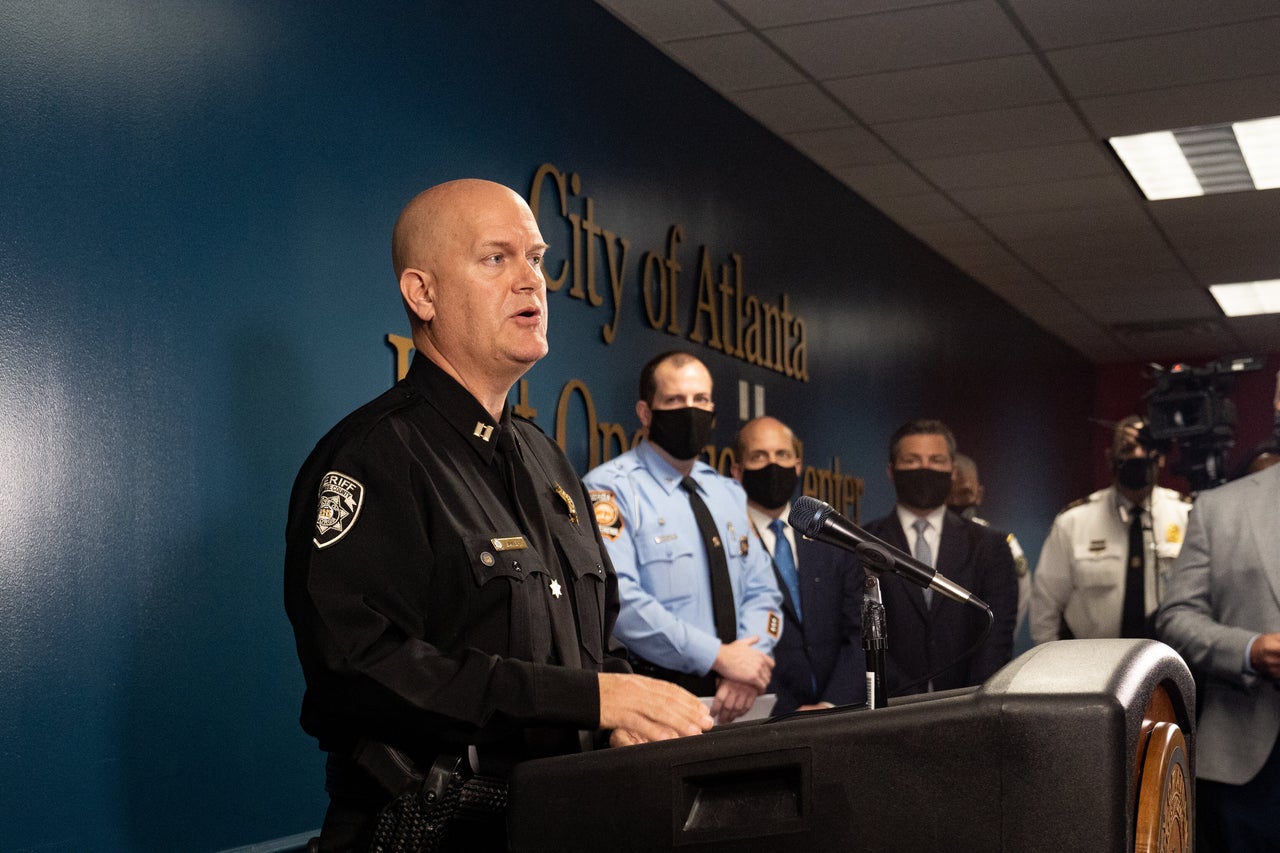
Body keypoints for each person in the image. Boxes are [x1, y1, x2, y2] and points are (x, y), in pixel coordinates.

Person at [284, 180, 712, 851]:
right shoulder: (373, 457)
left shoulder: (547, 461)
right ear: (421, 294)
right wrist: (587, 699)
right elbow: (358, 669)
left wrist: (624, 707)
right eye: (496, 259)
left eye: (537, 258)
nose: (530, 281)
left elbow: (598, 646)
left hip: (566, 821)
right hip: (433, 831)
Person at [583, 351, 783, 724]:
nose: (691, 411)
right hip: (658, 702)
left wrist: (747, 666)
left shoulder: (727, 492)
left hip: (739, 699)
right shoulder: (610, 490)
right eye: (675, 401)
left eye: (701, 400)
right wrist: (718, 657)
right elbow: (619, 602)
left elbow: (765, 593)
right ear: (646, 413)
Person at [1156, 371, 1280, 851]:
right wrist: (1249, 650)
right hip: (1248, 765)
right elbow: (1176, 618)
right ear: (1275, 401)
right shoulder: (1220, 508)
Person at [861, 419, 1017, 695]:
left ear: (952, 471)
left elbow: (996, 637)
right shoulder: (863, 543)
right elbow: (856, 632)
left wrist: (970, 702)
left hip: (967, 708)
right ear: (891, 470)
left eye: (936, 460)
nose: (925, 469)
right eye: (912, 460)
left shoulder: (990, 546)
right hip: (889, 710)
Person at [730, 416, 866, 715]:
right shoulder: (725, 542)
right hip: (767, 721)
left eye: (782, 455)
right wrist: (789, 715)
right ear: (737, 471)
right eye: (758, 456)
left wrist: (831, 703)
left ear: (798, 465)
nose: (772, 465)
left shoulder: (833, 539)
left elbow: (858, 633)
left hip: (840, 716)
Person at [1028, 416, 1192, 645]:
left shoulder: (1188, 517)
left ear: (1161, 457)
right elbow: (1045, 609)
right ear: (1110, 458)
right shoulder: (1073, 522)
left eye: (1146, 447)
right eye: (1127, 448)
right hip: (1091, 664)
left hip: (1170, 663)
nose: (1137, 456)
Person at [947, 453, 1031, 633]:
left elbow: (1020, 598)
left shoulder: (1000, 544)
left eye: (964, 493)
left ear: (979, 494)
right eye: (948, 493)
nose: (955, 501)